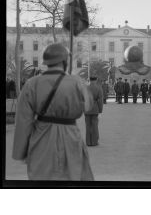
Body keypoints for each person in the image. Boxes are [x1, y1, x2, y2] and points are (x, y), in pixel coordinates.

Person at [12, 43, 94, 180]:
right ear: (64, 61)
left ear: (47, 62)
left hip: (42, 137)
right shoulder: (77, 82)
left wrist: (21, 151)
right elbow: (88, 106)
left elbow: (23, 120)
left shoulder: (32, 83)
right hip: (70, 136)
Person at [85, 74, 103, 146]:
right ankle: (94, 142)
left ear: (90, 80)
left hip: (87, 109)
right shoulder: (99, 88)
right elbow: (100, 101)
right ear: (96, 80)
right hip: (95, 109)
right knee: (95, 126)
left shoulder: (86, 88)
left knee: (88, 126)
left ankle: (88, 142)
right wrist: (100, 111)